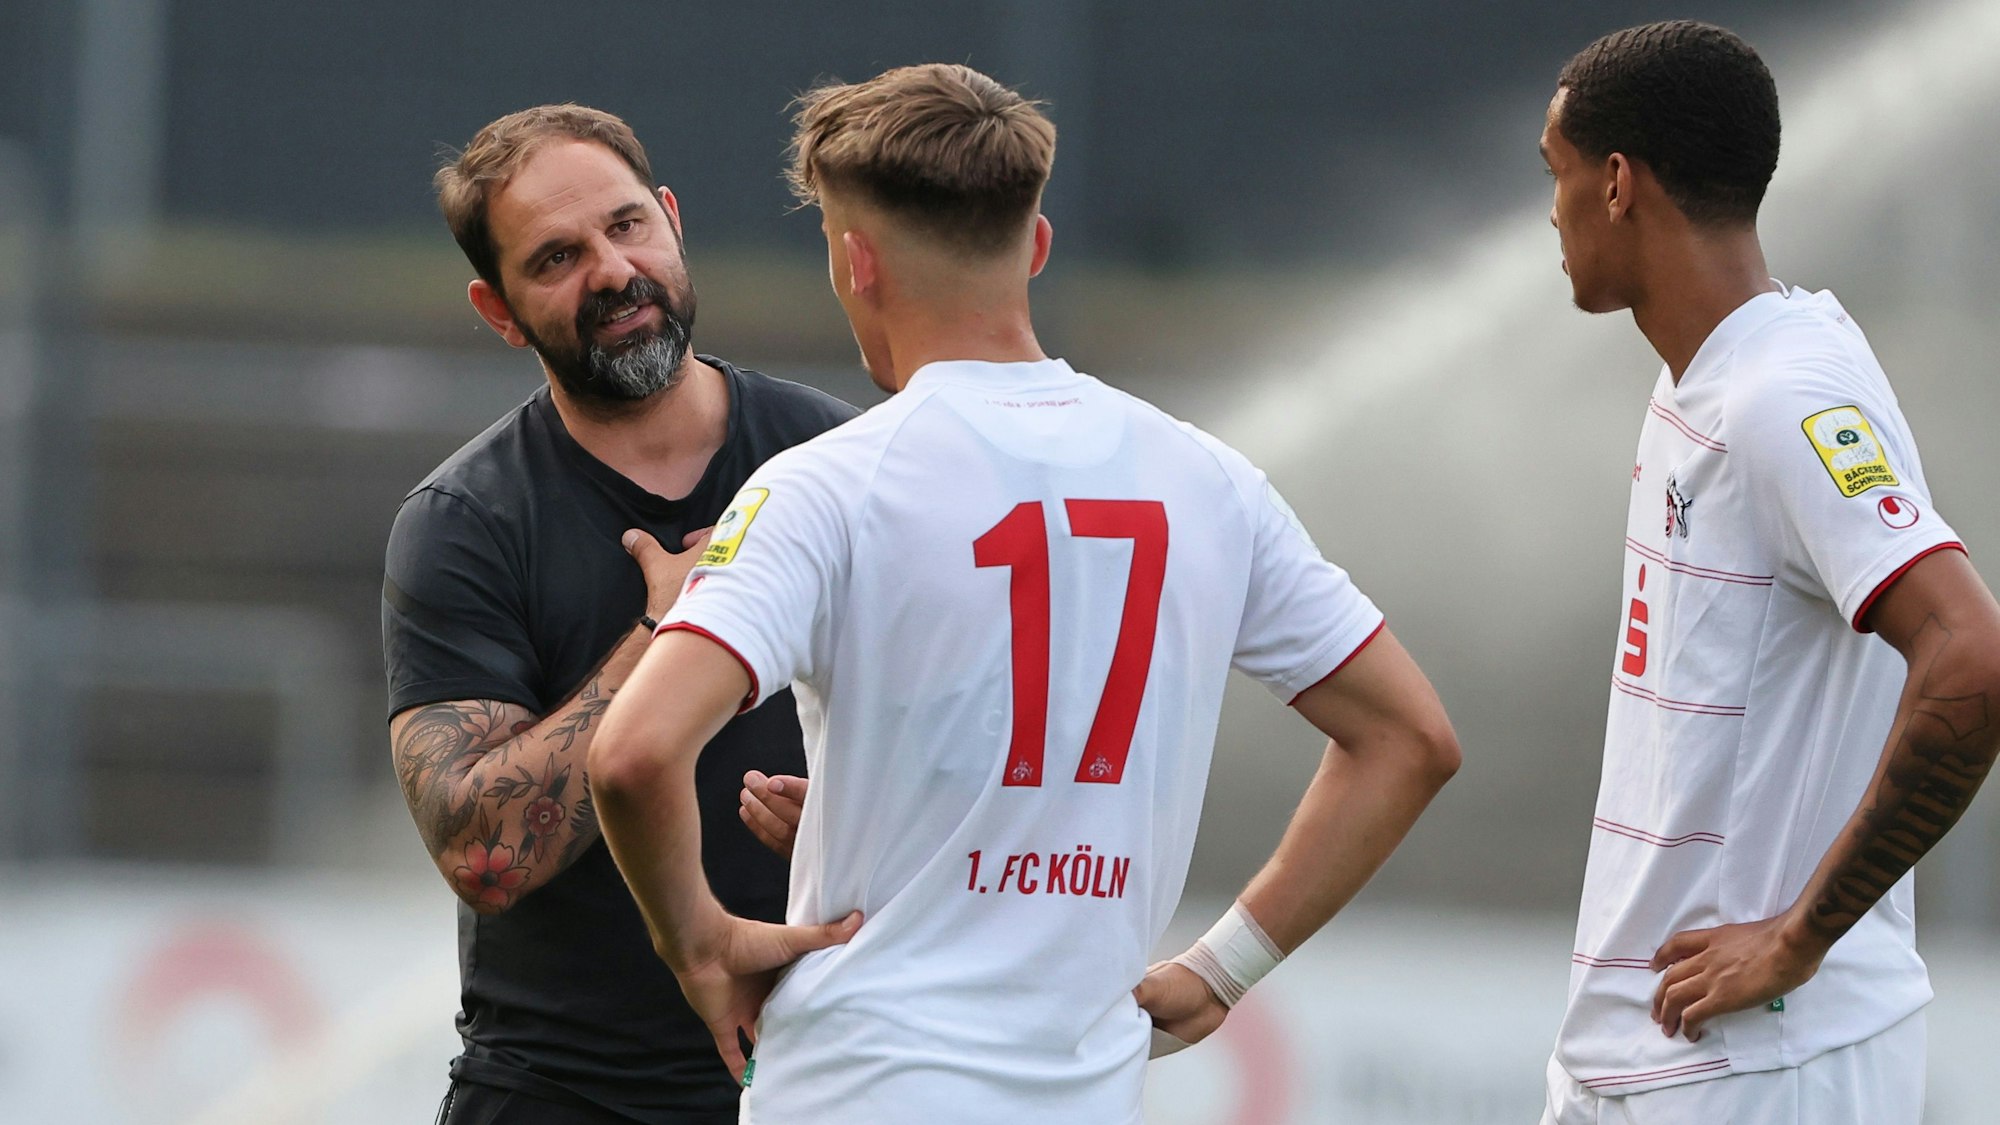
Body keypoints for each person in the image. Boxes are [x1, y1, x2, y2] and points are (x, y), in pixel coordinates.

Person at [586, 63, 1462, 1125]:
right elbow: (1409, 739)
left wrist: (701, 946)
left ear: (856, 262)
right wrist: (1225, 967)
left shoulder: (828, 483)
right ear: (1035, 246)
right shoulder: (1206, 479)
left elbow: (632, 755)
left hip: (860, 1089)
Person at [1536, 21, 2000, 1124]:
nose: (1549, 214)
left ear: (1616, 183)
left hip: (1764, 1064)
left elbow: (1972, 651)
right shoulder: (1703, 379)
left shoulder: (1780, 397)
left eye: (1554, 174)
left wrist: (1800, 935)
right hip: (1640, 1051)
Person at [381, 104, 857, 1124]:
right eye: (555, 258)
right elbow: (483, 856)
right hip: (562, 1091)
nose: (610, 271)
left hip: (822, 1076)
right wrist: (666, 635)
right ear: (499, 310)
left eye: (626, 225)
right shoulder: (466, 521)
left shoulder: (838, 462)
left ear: (671, 220)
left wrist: (861, 824)